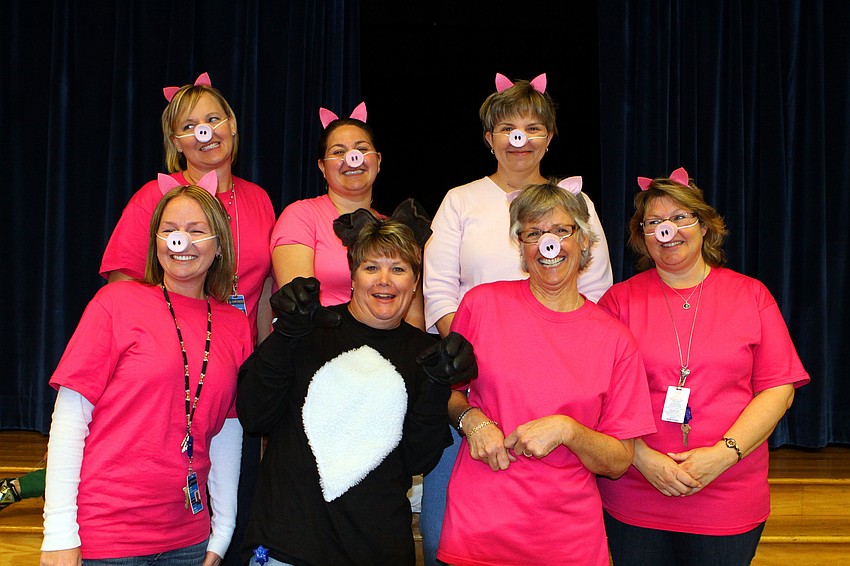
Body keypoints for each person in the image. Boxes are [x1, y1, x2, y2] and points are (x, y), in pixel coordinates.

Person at [420, 72, 614, 562]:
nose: (519, 140)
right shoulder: (461, 201)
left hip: (562, 392)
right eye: (508, 128)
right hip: (476, 390)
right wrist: (474, 363)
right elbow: (440, 292)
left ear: (550, 137)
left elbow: (596, 294)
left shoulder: (578, 205)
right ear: (489, 139)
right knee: (449, 528)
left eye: (532, 127)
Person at [596, 167, 810, 566]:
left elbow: (778, 389)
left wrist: (723, 455)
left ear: (705, 226)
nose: (668, 231)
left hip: (728, 490)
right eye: (654, 222)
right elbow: (597, 396)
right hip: (637, 489)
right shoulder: (617, 302)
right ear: (642, 237)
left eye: (680, 218)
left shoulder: (751, 295)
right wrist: (643, 458)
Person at [436, 181, 655, 565]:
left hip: (567, 541)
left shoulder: (615, 340)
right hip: (480, 530)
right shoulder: (481, 305)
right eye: (533, 234)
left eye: (560, 231)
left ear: (584, 242)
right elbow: (446, 392)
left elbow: (620, 459)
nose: (547, 244)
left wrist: (568, 430)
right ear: (521, 248)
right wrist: (472, 421)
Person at [238, 213, 476, 565]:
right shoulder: (309, 329)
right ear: (352, 277)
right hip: (287, 548)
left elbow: (417, 460)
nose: (385, 281)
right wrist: (285, 334)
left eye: (398, 269)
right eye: (371, 268)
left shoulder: (425, 356)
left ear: (415, 283)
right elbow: (253, 413)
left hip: (375, 549)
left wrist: (438, 387)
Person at [41, 184, 252, 565]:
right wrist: (58, 533)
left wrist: (222, 532)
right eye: (169, 229)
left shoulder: (235, 325)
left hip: (188, 540)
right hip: (105, 538)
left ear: (219, 245)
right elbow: (71, 418)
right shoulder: (116, 303)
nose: (180, 241)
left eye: (196, 230)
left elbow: (226, 432)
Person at [100, 71, 275, 344]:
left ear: (232, 125)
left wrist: (266, 361)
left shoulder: (258, 198)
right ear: (176, 143)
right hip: (169, 349)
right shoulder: (153, 197)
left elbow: (264, 289)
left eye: (213, 120)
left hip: (239, 353)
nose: (204, 133)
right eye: (189, 126)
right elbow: (121, 290)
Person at [270, 102, 425, 329]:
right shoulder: (301, 216)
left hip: (382, 353)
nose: (353, 158)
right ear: (322, 167)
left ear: (378, 161)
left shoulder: (395, 228)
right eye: (339, 152)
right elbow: (300, 305)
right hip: (317, 348)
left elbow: (413, 318)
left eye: (362, 149)